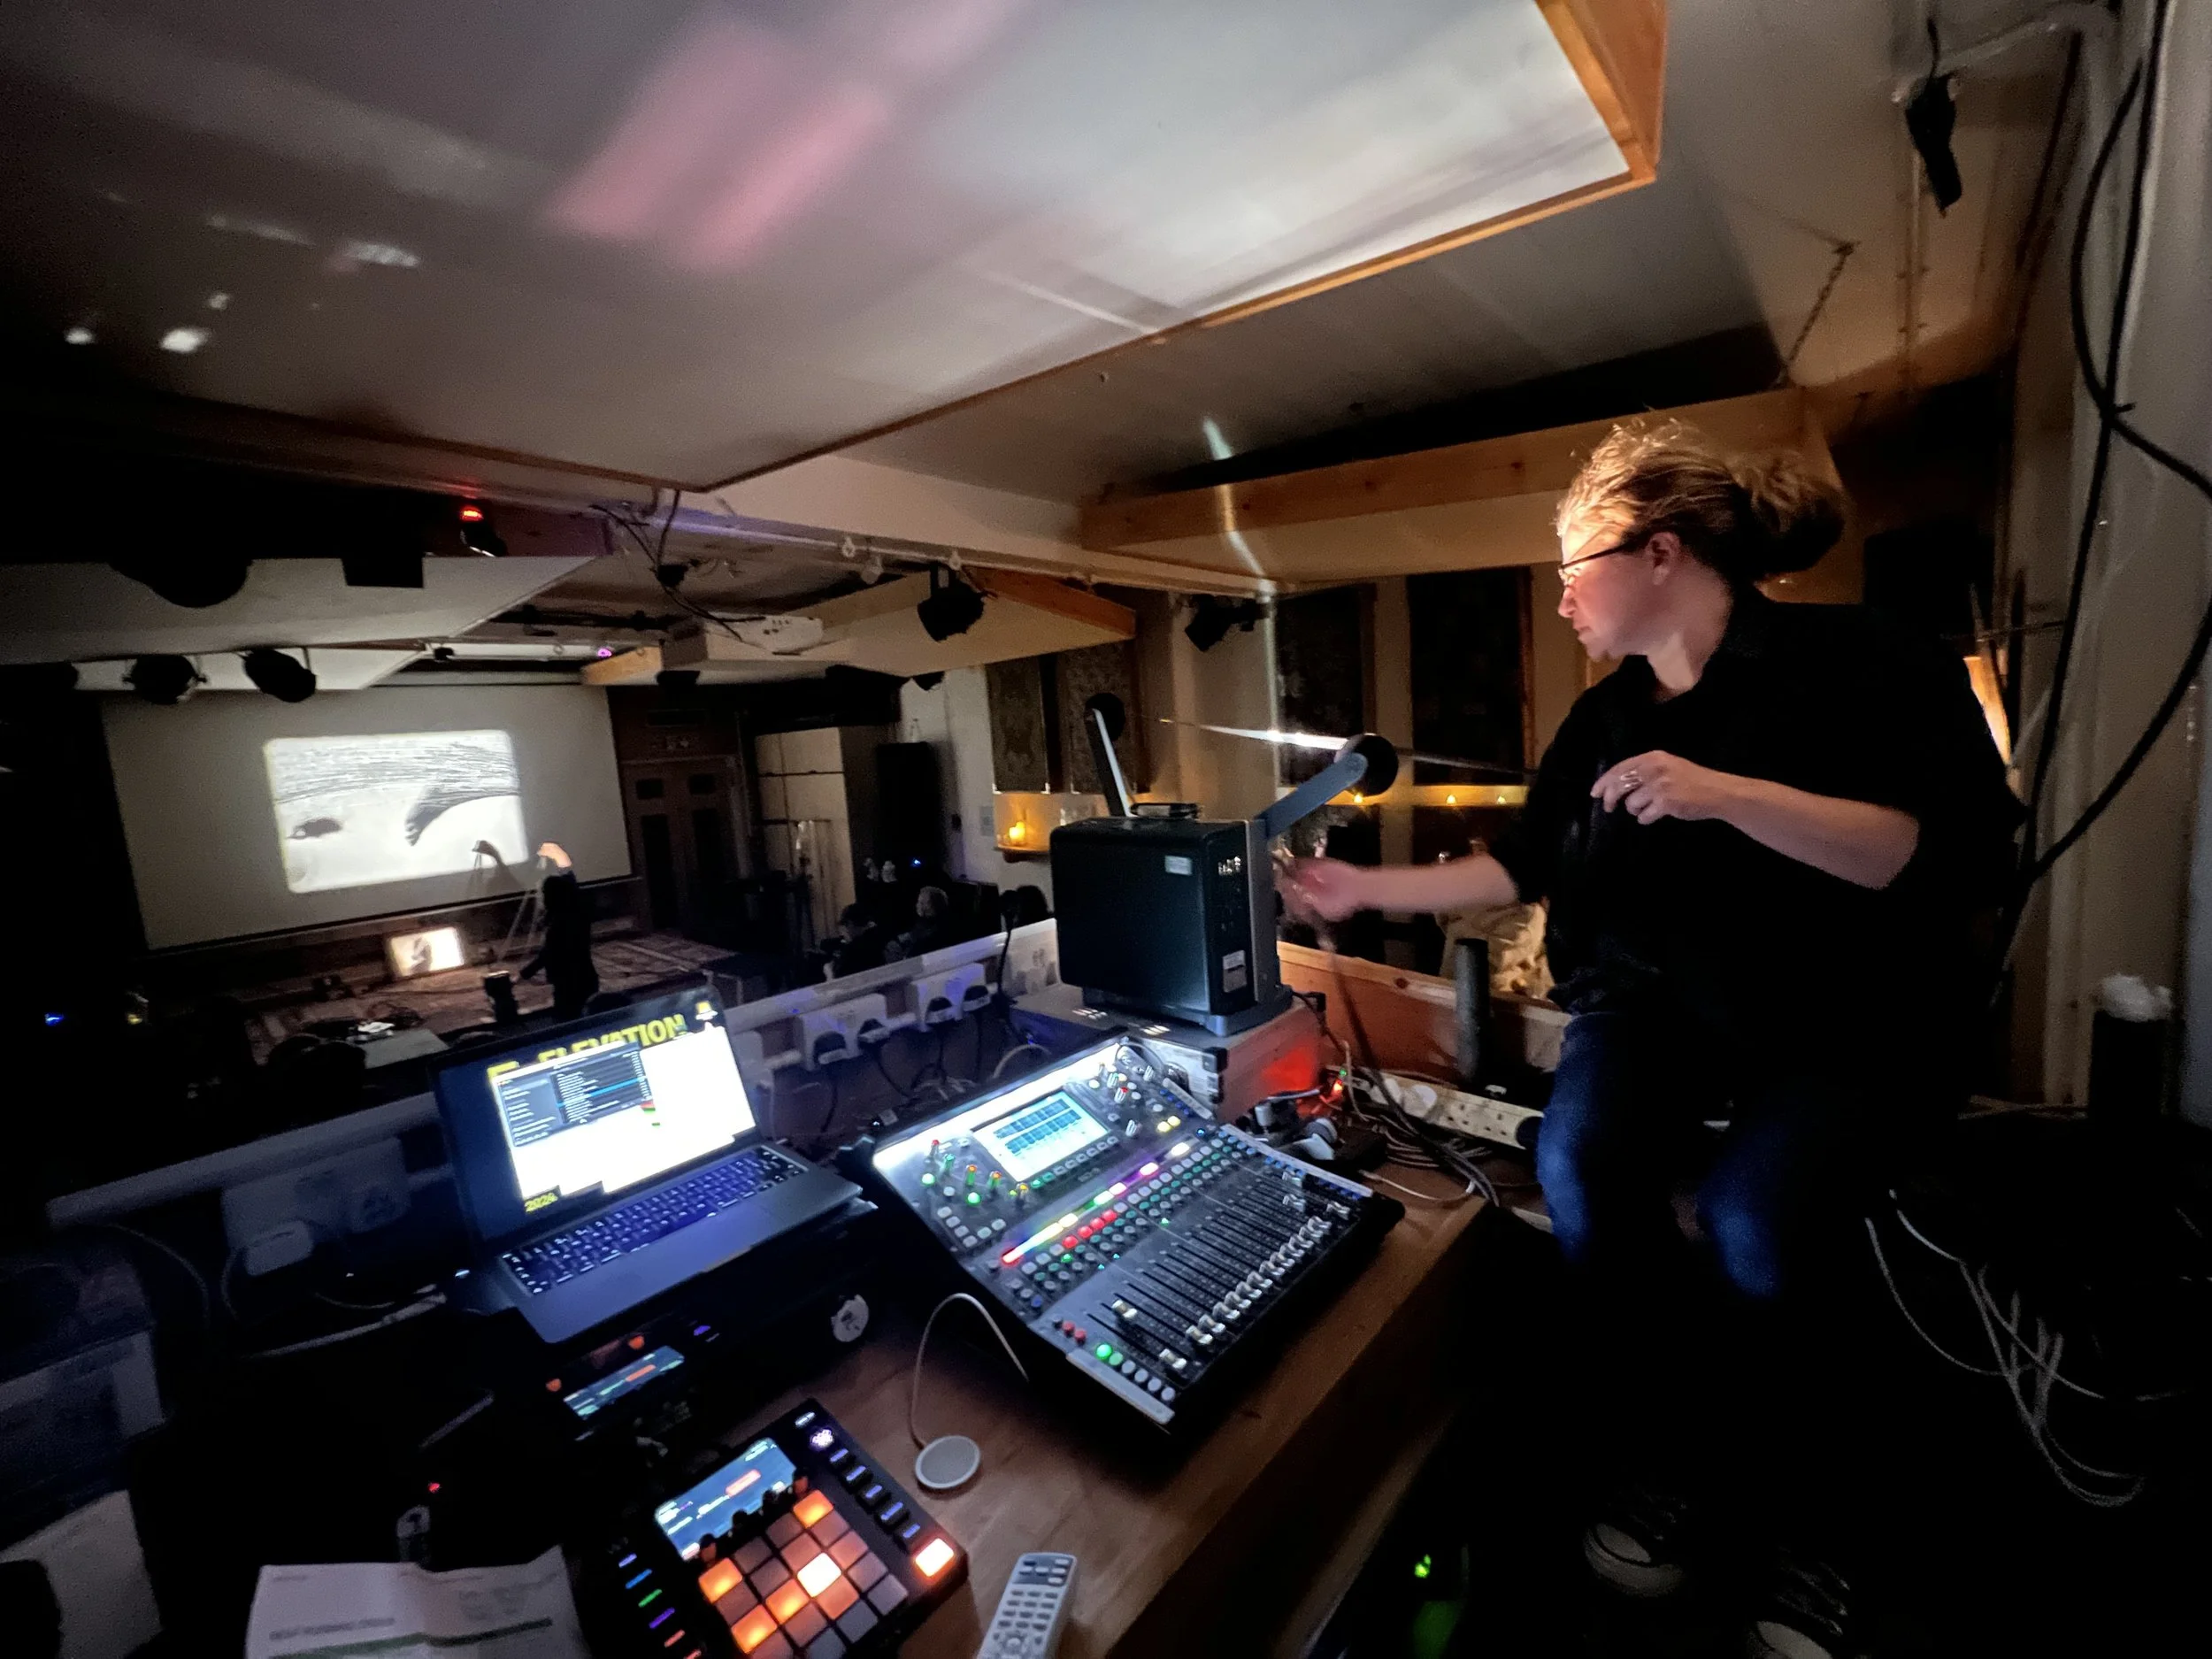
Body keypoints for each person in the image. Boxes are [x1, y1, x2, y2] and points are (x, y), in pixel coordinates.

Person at [1281, 422, 2020, 1658]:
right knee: (1578, 1166)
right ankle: (1671, 1456)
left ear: (1663, 552)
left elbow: (1945, 856)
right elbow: (1515, 863)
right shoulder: (1601, 717)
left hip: (1839, 1017)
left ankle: (1818, 1524)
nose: (1562, 590)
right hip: (1652, 1009)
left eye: (1579, 559)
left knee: (1754, 1216)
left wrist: (1725, 791)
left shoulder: (1866, 661)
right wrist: (1362, 898)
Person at [518, 841, 599, 1020]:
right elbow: (572, 887)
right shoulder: (577, 912)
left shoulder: (560, 924)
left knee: (568, 1023)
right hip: (587, 978)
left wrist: (522, 976)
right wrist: (561, 858)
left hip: (570, 984)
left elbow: (548, 955)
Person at [824, 902, 889, 979]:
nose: (846, 930)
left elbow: (841, 982)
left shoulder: (856, 949)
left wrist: (829, 972)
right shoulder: (884, 937)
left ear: (850, 924)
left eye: (846, 925)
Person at [886, 885, 950, 962]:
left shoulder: (933, 931)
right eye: (919, 902)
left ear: (931, 906)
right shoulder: (922, 922)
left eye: (922, 903)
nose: (917, 905)